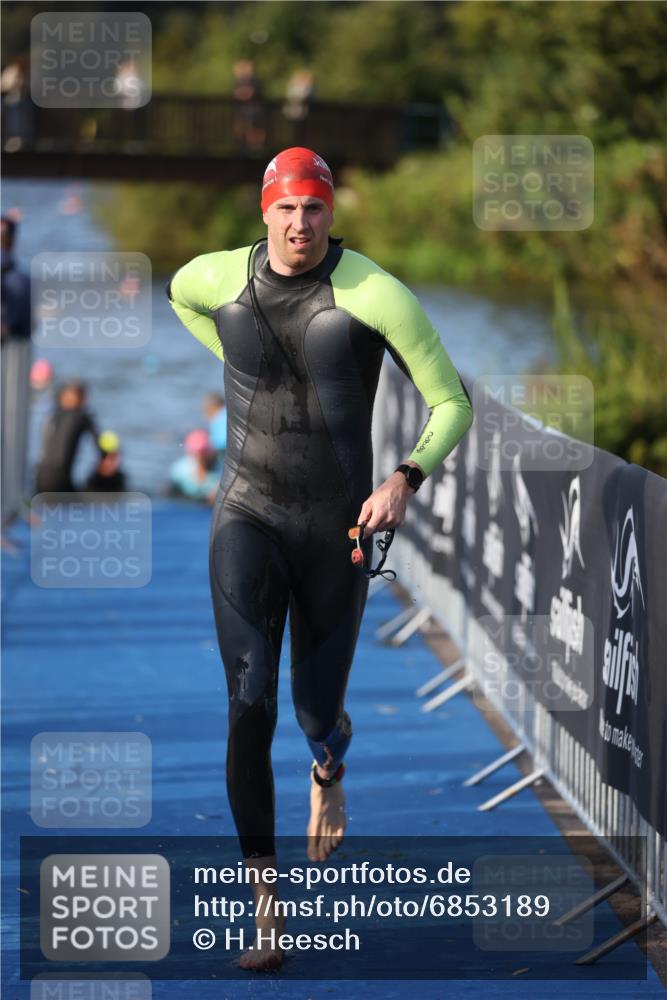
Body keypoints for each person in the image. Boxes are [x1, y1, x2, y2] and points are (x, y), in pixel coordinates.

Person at [168, 146, 473, 970]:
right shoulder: (218, 279)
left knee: (310, 712)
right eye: (286, 209)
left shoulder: (374, 293)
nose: (300, 224)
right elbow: (177, 295)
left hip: (337, 526)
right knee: (248, 699)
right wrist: (228, 358)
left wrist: (404, 479)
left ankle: (329, 762)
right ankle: (266, 908)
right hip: (246, 511)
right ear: (263, 211)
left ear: (330, 213)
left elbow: (451, 400)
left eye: (315, 209)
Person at [1, 213, 32, 550]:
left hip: (14, 350)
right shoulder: (16, 277)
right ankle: (7, 510)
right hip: (11, 356)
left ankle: (10, 509)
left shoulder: (16, 278)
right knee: (9, 436)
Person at [34, 380, 97, 494]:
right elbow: (99, 445)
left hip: (40, 477)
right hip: (60, 479)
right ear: (81, 399)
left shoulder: (52, 414)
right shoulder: (82, 416)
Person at [168, 429, 219, 503]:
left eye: (203, 453)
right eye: (198, 453)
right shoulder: (180, 470)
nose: (200, 457)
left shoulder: (221, 468)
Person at [202, 392, 227, 458]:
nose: (205, 417)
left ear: (212, 407)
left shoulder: (218, 418)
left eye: (205, 411)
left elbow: (221, 443)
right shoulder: (227, 412)